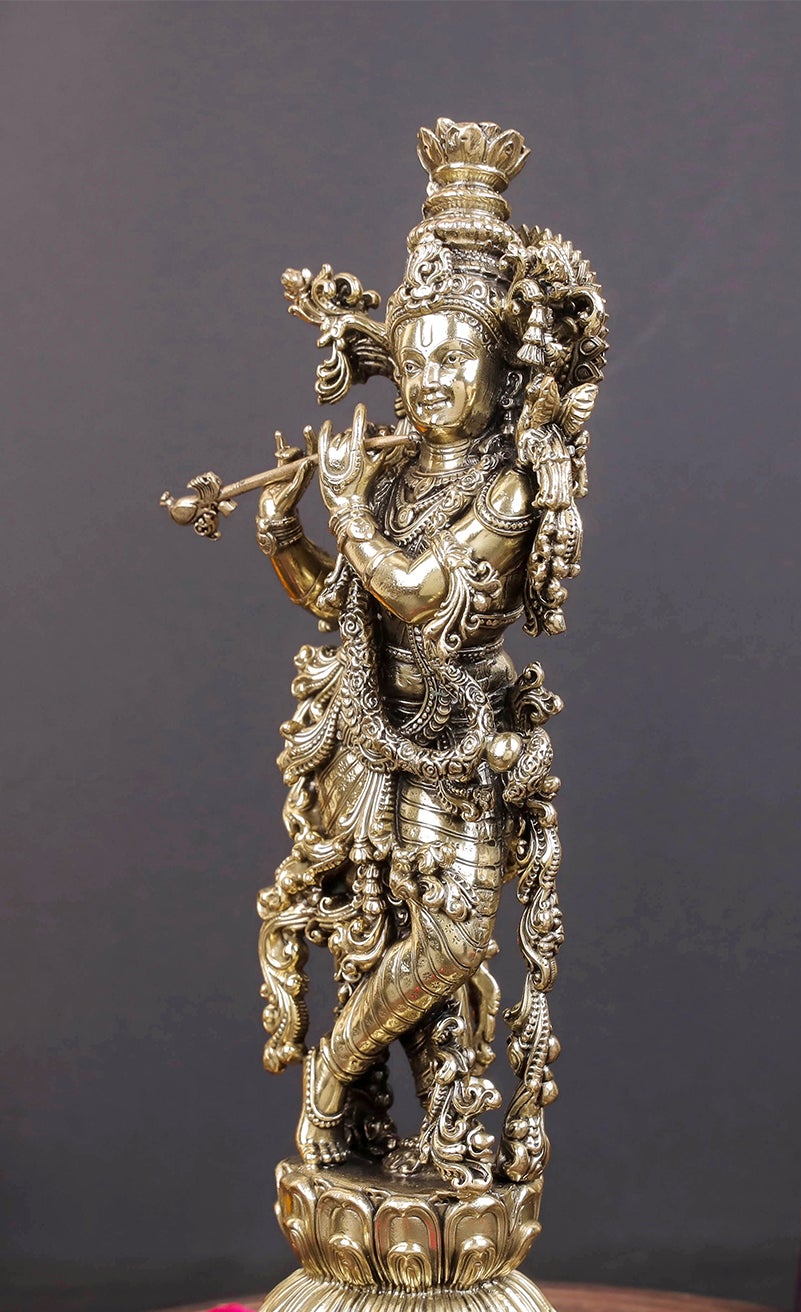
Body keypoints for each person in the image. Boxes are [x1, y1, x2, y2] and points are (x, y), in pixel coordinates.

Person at [251, 120, 606, 1191]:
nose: (434, 379)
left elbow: (422, 593)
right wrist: (285, 532)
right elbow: (346, 602)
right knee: (374, 935)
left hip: (460, 731)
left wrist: (349, 507)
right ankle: (373, 1122)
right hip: (365, 730)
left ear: (498, 367)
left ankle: (335, 1076)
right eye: (415, 361)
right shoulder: (397, 475)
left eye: (456, 358)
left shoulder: (507, 487)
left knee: (452, 942)